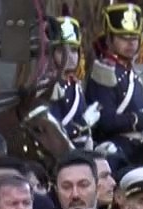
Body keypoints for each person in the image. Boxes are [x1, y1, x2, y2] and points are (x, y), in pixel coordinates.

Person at [87, 4, 143, 158]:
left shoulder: (132, 73)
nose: (130, 43)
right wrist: (140, 119)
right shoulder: (104, 71)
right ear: (109, 39)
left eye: (134, 38)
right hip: (114, 147)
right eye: (123, 37)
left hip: (138, 144)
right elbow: (106, 121)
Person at [44, 16, 96, 149]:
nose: (70, 57)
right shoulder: (48, 87)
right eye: (62, 51)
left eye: (74, 50)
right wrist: (81, 125)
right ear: (51, 53)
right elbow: (53, 130)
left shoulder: (75, 85)